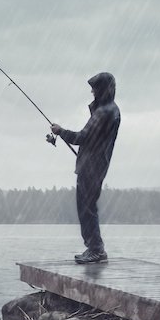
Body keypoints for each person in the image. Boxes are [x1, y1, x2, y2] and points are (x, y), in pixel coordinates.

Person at [49, 72, 121, 264]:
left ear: (102, 90)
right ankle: (93, 248)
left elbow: (82, 138)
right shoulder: (110, 110)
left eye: (94, 88)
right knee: (87, 207)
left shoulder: (104, 112)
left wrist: (60, 131)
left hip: (92, 167)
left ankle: (96, 249)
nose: (91, 92)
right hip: (95, 164)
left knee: (87, 208)